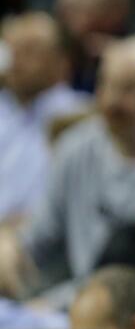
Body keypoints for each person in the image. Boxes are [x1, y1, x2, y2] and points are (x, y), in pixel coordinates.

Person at [0, 35, 135, 307]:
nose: (113, 101)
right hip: (73, 304)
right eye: (106, 84)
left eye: (129, 89)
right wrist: (9, 244)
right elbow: (40, 236)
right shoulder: (76, 146)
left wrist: (52, 305)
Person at [0, 12, 89, 224]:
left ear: (62, 62)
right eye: (11, 49)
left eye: (30, 50)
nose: (16, 59)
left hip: (45, 235)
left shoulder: (81, 113)